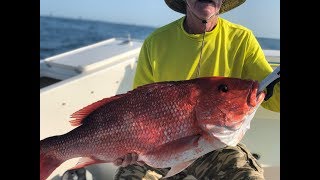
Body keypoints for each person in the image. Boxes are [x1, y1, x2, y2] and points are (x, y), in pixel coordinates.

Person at [113, 0, 280, 179]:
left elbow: (275, 100)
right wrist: (127, 147)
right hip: (161, 149)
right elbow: (137, 107)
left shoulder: (242, 40)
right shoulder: (155, 43)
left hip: (218, 147)